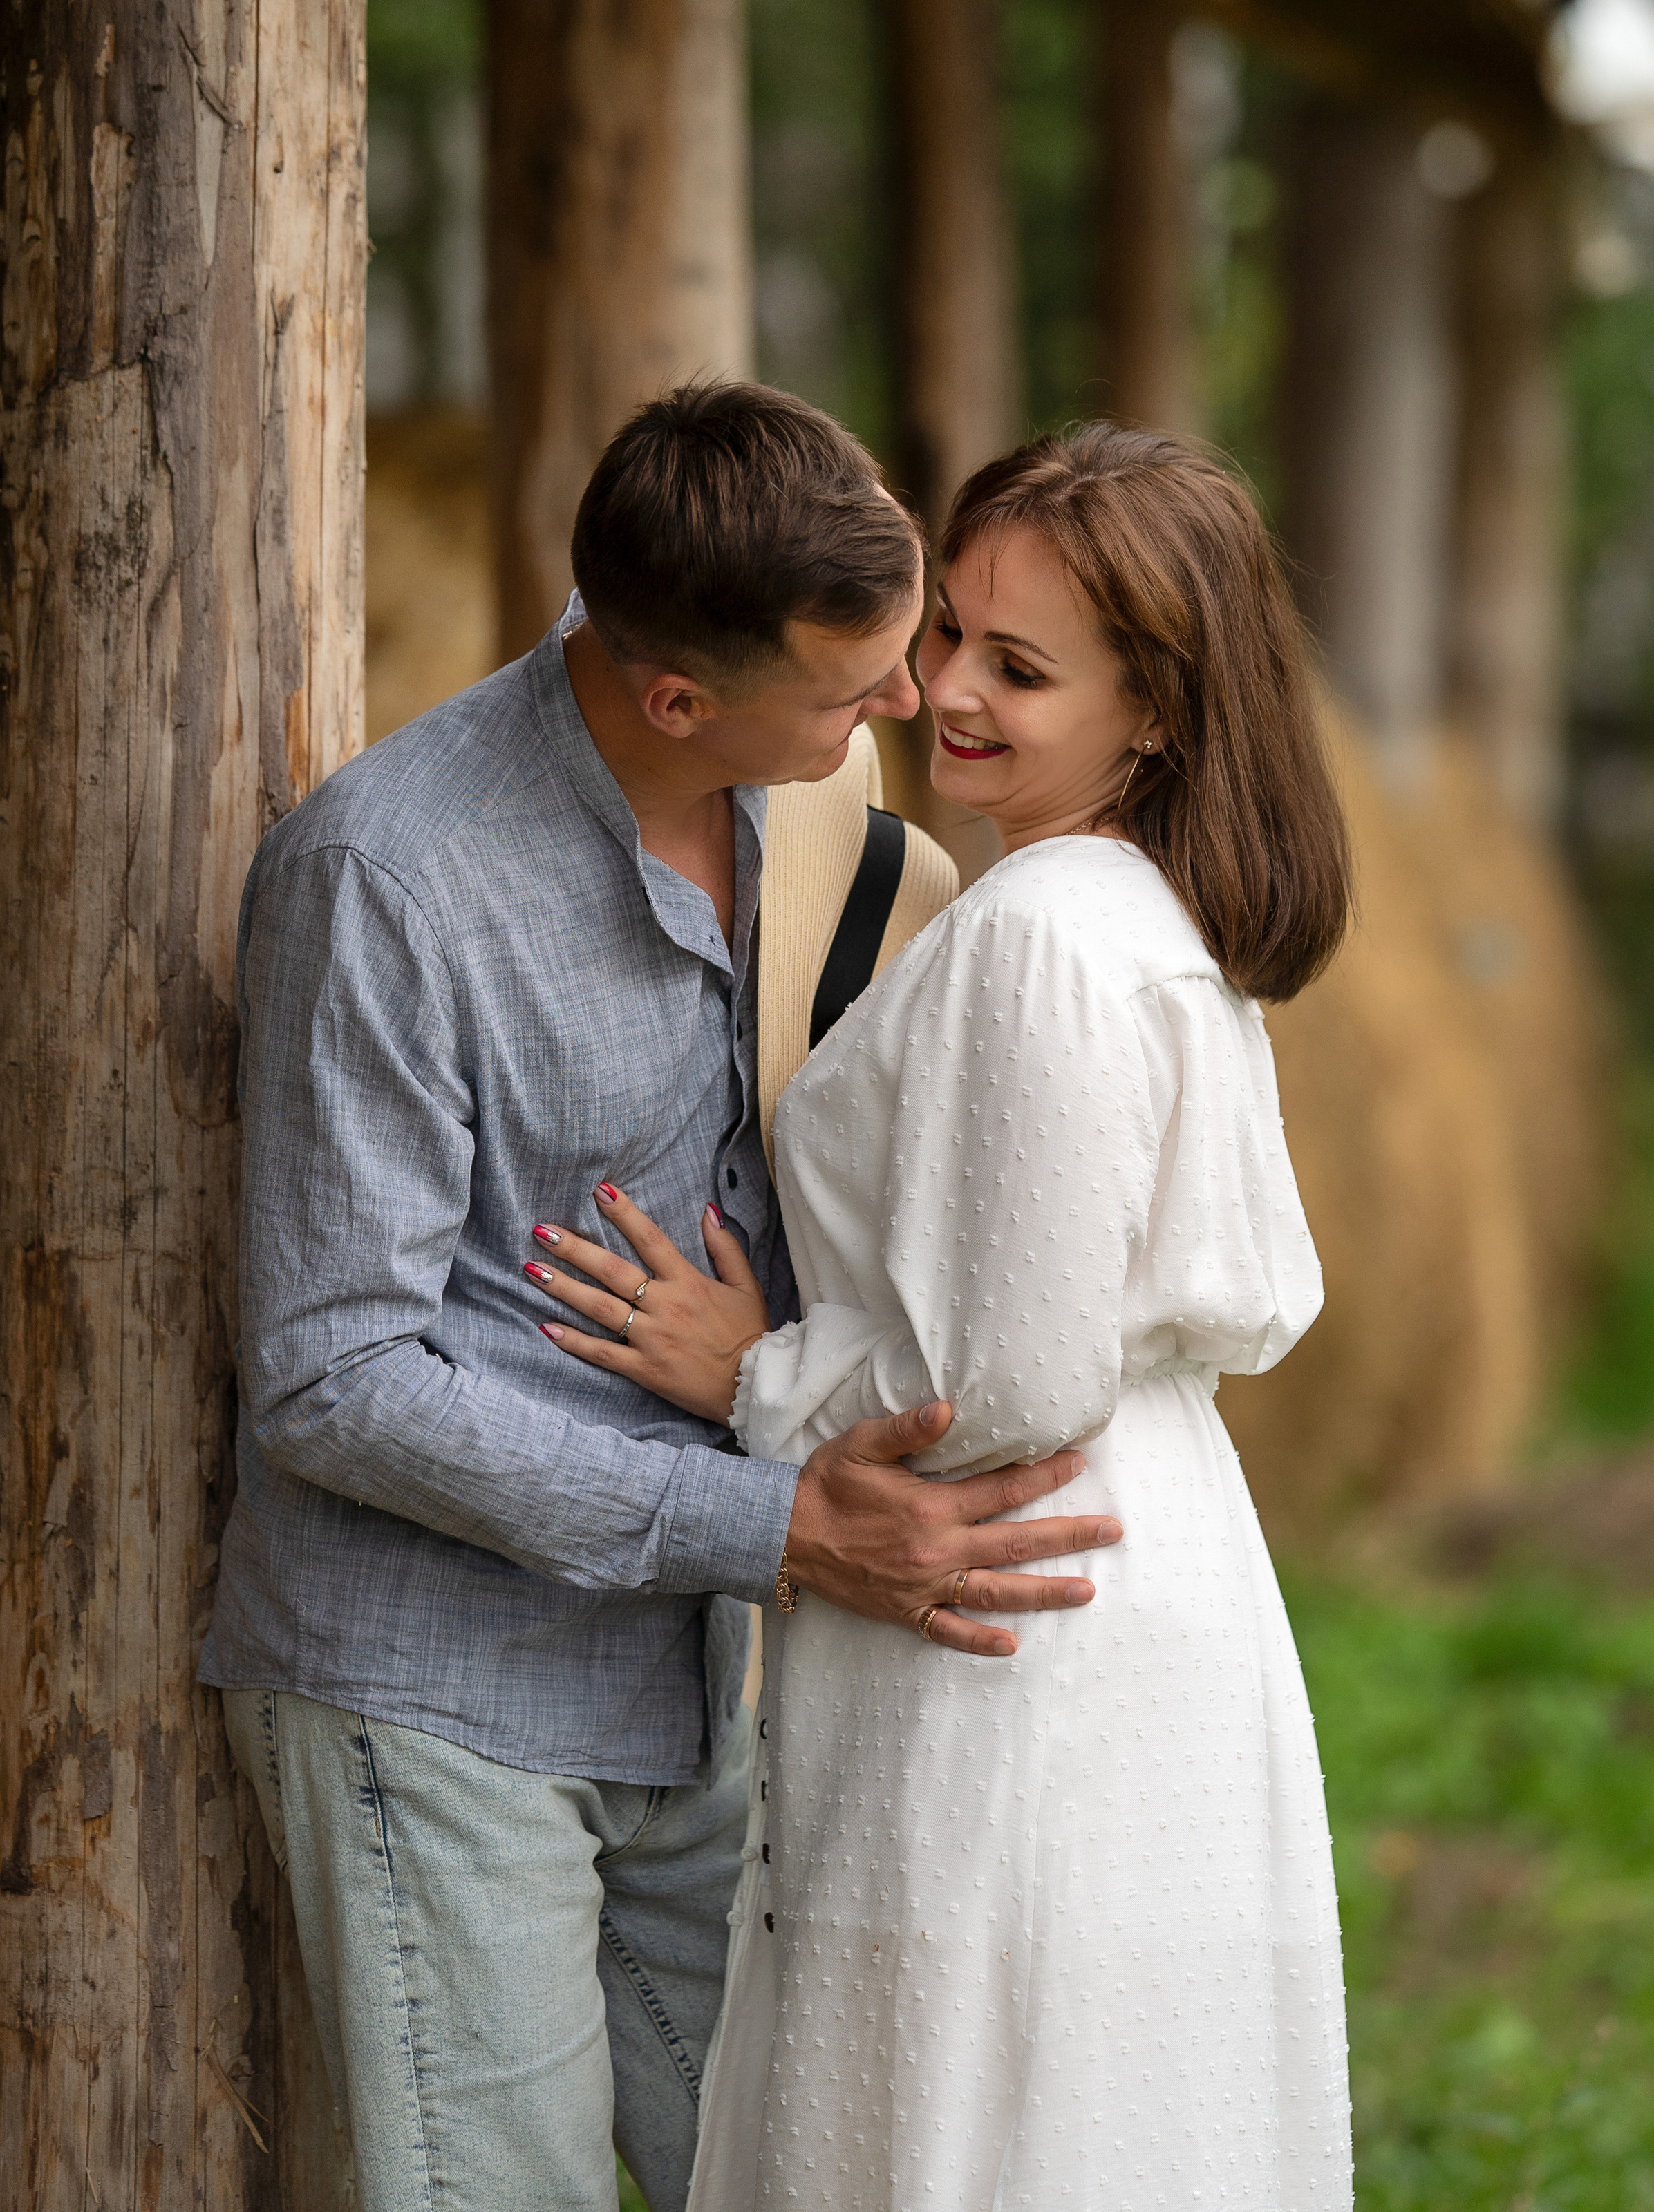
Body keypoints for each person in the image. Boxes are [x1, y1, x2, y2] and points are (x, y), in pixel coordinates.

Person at [200, 381, 1126, 2212]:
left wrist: (788, 1400)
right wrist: (777, 1518)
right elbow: (334, 1380)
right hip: (441, 1693)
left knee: (812, 2170)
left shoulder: (828, 819)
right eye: (853, 683)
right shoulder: (387, 882)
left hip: (699, 1679)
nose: (905, 707)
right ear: (678, 695)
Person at [534, 421, 1359, 2212]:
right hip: (1134, 1570)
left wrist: (751, 1372)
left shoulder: (1046, 936)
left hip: (1012, 1604)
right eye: (953, 634)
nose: (943, 689)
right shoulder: (1143, 915)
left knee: (974, 2133)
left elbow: (1007, 1378)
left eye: (1019, 665)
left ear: (1157, 709)